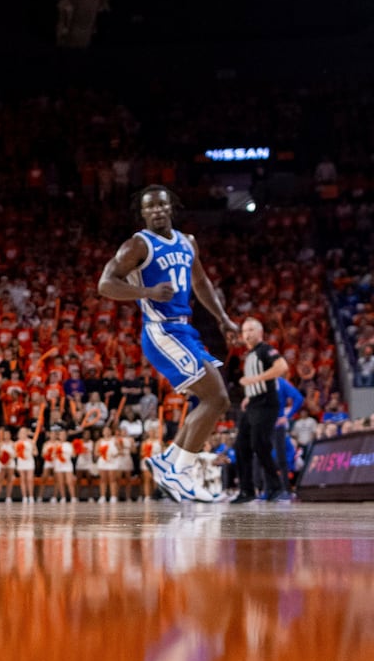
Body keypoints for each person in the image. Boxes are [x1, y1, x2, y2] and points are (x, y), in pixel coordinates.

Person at [98, 186, 239, 502]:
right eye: (150, 207)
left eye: (162, 204)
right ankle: (180, 470)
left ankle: (169, 462)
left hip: (185, 331)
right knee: (217, 398)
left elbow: (201, 283)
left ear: (171, 206)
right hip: (161, 332)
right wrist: (146, 293)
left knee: (210, 400)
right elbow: (105, 284)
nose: (157, 210)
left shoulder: (188, 242)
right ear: (143, 213)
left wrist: (222, 318)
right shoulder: (137, 245)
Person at [232, 317, 290, 503]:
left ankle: (276, 487)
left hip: (266, 404)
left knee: (260, 445)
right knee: (241, 445)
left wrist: (254, 381)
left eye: (251, 330)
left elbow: (282, 366)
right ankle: (246, 491)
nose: (247, 334)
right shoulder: (249, 354)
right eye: (244, 331)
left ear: (260, 332)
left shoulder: (265, 349)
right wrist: (249, 395)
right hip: (254, 404)